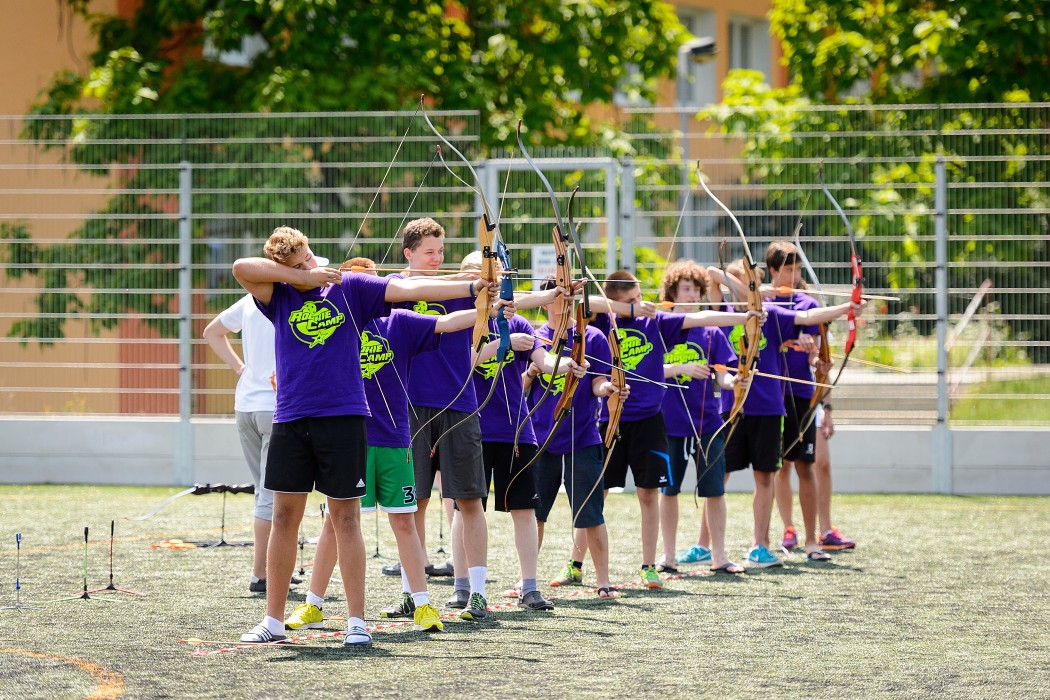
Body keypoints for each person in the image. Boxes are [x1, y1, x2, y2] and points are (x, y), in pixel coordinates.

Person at [234, 226, 497, 646]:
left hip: (343, 416)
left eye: (309, 257)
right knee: (284, 516)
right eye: (298, 264)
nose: (310, 265)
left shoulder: (350, 287)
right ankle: (274, 621)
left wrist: (474, 284)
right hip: (292, 416)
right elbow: (241, 267)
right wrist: (300, 278)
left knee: (346, 518)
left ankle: (357, 623)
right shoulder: (279, 296)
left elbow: (408, 288)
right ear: (284, 271)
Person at [284, 256, 516, 633]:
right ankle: (313, 605)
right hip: (350, 438)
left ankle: (423, 605)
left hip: (393, 439)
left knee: (404, 523)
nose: (367, 293)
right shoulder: (334, 325)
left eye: (373, 285)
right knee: (334, 524)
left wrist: (484, 307)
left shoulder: (401, 322)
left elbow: (446, 322)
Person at [586, 271, 760, 588]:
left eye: (697, 290)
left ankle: (695, 558)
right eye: (633, 298)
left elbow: (706, 323)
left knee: (686, 491)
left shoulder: (663, 325)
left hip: (683, 422)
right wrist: (631, 310)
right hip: (639, 421)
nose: (640, 302)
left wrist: (745, 315)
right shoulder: (603, 325)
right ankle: (587, 562)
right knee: (612, 493)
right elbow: (589, 303)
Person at [706, 260, 865, 569]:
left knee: (765, 476)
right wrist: (750, 293)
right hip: (734, 406)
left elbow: (809, 316)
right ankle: (713, 550)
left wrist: (847, 306)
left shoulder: (774, 316)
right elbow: (712, 274)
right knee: (718, 476)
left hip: (768, 408)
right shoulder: (726, 314)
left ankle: (760, 545)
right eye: (745, 283)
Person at [200, 250, 327, 592]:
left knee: (265, 492)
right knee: (274, 496)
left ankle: (269, 568)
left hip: (246, 406)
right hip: (279, 408)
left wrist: (241, 370)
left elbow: (212, 332)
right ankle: (263, 573)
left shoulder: (250, 299)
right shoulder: (293, 300)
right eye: (303, 269)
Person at [460, 257, 581, 612]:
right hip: (472, 430)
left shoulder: (520, 321)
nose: (492, 281)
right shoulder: (462, 319)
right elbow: (465, 361)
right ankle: (462, 585)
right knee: (467, 509)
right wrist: (504, 342)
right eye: (482, 274)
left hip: (516, 431)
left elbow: (541, 359)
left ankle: (530, 586)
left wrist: (564, 364)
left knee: (525, 509)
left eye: (496, 275)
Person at [526, 277, 623, 599]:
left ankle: (604, 581)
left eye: (571, 297)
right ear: (545, 301)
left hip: (583, 436)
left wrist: (607, 389)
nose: (565, 302)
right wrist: (533, 372)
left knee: (591, 513)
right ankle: (527, 581)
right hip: (541, 438)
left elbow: (598, 383)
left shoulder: (591, 336)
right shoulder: (534, 337)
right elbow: (522, 388)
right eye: (558, 296)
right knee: (534, 514)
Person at [656, 260, 745, 574]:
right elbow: (646, 369)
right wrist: (681, 369)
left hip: (708, 422)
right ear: (673, 292)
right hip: (670, 424)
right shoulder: (661, 327)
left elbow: (723, 377)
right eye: (685, 290)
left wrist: (736, 382)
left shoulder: (712, 332)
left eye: (696, 290)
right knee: (669, 490)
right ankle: (667, 557)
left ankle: (719, 556)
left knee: (715, 491)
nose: (691, 296)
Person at [762, 241, 829, 560]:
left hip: (801, 394)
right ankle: (786, 528)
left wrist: (818, 360)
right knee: (778, 467)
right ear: (773, 271)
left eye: (797, 268)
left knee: (806, 465)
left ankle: (812, 540)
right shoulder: (760, 300)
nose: (794, 274)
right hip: (771, 395)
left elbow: (817, 352)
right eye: (787, 268)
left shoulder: (806, 302)